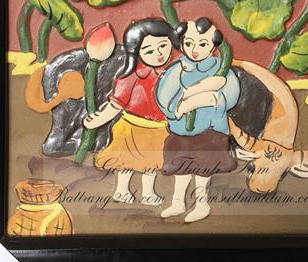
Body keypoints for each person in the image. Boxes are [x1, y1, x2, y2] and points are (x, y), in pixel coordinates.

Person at [82, 18, 177, 205]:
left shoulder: (173, 74)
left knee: (151, 164)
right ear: (136, 52)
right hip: (132, 127)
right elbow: (116, 104)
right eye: (149, 50)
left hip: (158, 129)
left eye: (163, 46)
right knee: (125, 162)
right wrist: (97, 120)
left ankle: (148, 193)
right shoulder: (131, 77)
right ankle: (121, 190)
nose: (158, 54)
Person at [156, 18, 240, 223]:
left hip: (210, 130)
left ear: (214, 45)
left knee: (203, 167)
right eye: (189, 43)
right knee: (182, 166)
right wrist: (177, 108)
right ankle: (178, 201)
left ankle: (202, 203)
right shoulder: (179, 68)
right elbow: (164, 94)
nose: (195, 50)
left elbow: (232, 92)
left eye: (202, 44)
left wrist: (211, 98)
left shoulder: (221, 69)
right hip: (182, 130)